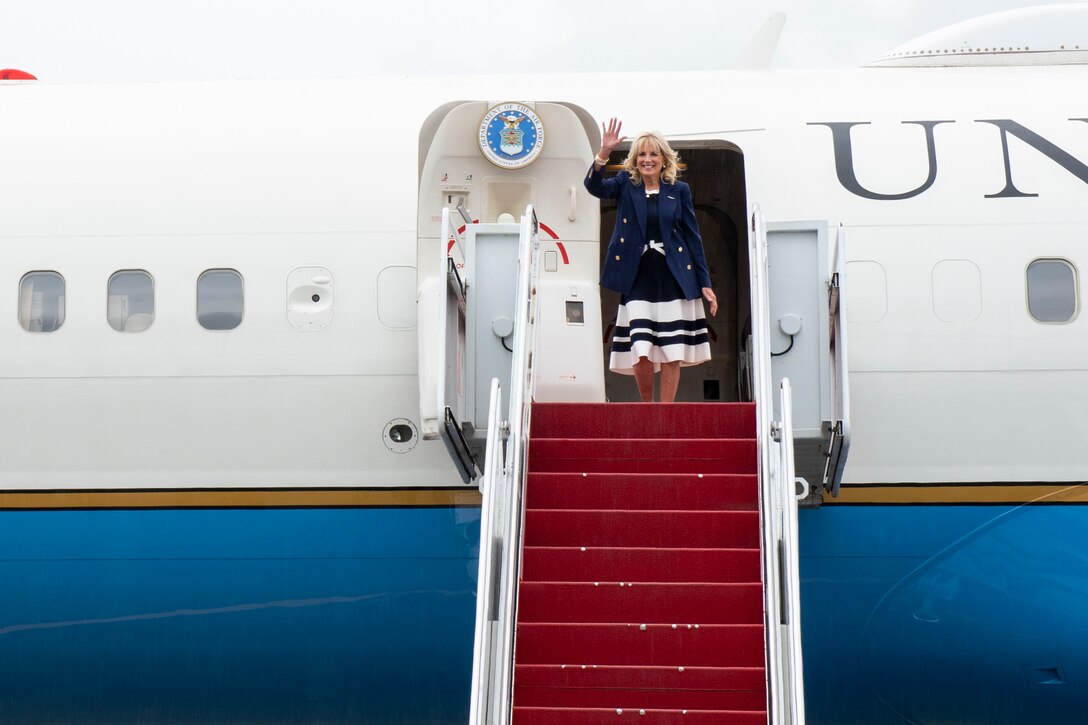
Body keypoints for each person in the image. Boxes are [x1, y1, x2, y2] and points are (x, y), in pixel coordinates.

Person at [585, 118, 717, 403]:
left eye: (653, 154)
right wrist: (603, 153)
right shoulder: (624, 184)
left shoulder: (678, 190)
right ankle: (648, 409)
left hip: (673, 275)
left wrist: (705, 282)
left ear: (663, 159)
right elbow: (594, 186)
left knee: (671, 348)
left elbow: (692, 237)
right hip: (637, 276)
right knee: (641, 346)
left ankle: (665, 412)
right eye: (642, 154)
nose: (647, 159)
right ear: (635, 160)